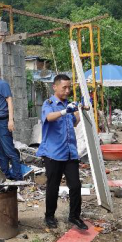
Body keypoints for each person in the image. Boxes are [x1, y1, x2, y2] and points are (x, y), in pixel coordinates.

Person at [36, 74, 87, 230]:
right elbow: (49, 117)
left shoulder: (68, 104)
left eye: (69, 87)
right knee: (53, 186)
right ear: (55, 87)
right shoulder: (49, 103)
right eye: (64, 87)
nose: (67, 90)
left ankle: (74, 216)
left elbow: (75, 123)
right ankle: (49, 216)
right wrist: (65, 111)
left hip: (70, 152)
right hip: (53, 154)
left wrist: (79, 110)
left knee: (76, 186)